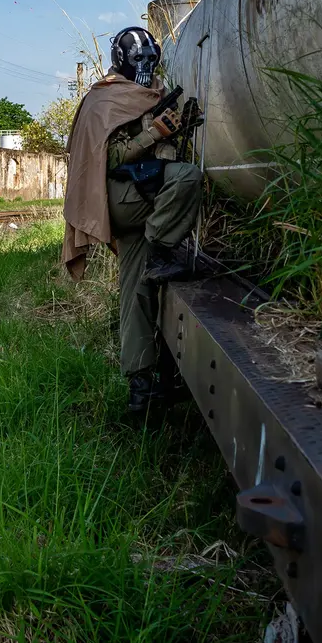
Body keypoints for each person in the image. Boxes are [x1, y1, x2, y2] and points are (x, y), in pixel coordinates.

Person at [62, 27, 202, 413]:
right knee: (189, 177)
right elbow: (104, 158)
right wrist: (151, 133)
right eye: (138, 60)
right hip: (123, 200)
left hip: (140, 195)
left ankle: (142, 391)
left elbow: (155, 147)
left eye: (150, 59)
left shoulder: (148, 92)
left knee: (137, 293)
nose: (145, 67)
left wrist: (177, 126)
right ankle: (160, 247)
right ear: (122, 60)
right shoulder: (104, 99)